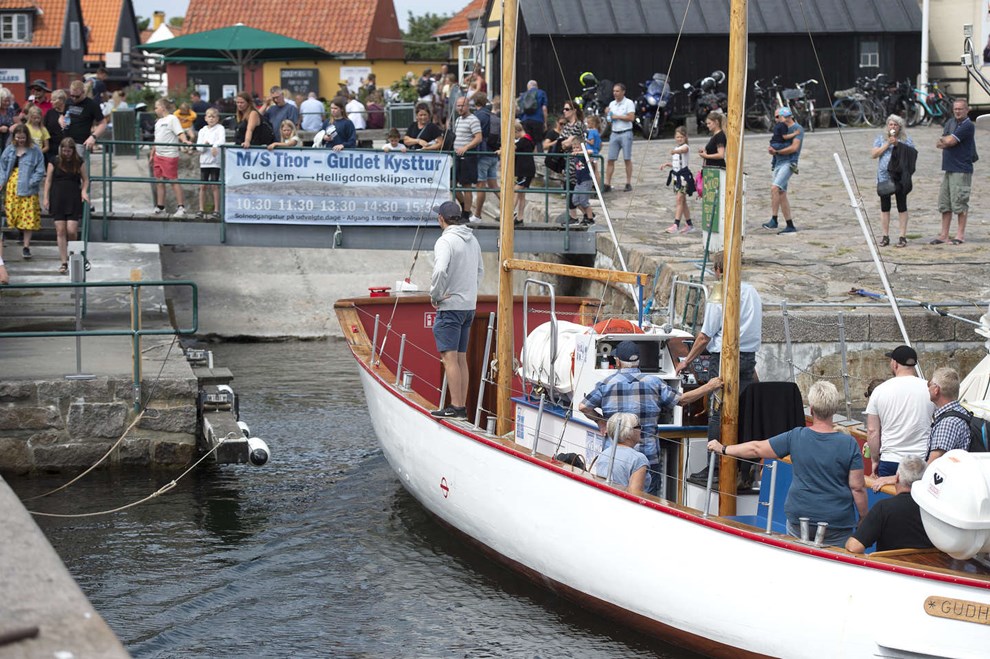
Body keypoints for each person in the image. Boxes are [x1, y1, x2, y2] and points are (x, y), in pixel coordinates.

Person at [708, 380, 868, 547]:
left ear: (811, 409)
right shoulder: (849, 443)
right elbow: (857, 487)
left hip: (800, 516)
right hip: (837, 521)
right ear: (834, 410)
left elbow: (756, 448)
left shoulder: (796, 436)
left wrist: (723, 448)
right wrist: (864, 517)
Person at [580, 340, 723, 496]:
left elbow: (583, 407)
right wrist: (709, 386)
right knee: (647, 500)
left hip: (615, 455)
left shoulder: (606, 384)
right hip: (647, 456)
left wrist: (600, 421)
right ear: (638, 361)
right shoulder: (654, 382)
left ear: (618, 361)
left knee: (611, 497)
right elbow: (682, 400)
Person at [675, 250, 762, 445]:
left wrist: (686, 361)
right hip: (748, 359)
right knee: (743, 410)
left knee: (717, 410)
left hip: (724, 359)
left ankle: (715, 461)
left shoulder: (720, 294)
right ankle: (739, 458)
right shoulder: (753, 292)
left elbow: (704, 337)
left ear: (717, 269)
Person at [429, 200, 483, 419]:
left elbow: (440, 270)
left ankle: (456, 407)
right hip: (468, 306)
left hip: (450, 307)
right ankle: (461, 407)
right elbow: (480, 271)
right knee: (461, 358)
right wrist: (470, 293)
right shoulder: (472, 240)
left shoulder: (445, 241)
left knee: (449, 358)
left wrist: (435, 296)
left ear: (441, 219)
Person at [865, 345, 934, 477]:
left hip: (890, 459)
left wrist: (874, 460)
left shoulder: (880, 391)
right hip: (920, 459)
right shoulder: (929, 389)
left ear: (895, 364)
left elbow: (873, 431)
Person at [845, 456, 933, 553]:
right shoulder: (934, 509)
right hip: (930, 561)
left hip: (889, 562)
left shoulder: (884, 508)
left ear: (897, 477)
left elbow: (854, 547)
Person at [42, 138, 89, 273]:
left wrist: (84, 192)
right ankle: (63, 262)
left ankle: (75, 254)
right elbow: (48, 181)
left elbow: (85, 180)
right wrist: (46, 197)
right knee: (60, 230)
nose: (66, 153)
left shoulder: (78, 162)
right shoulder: (54, 161)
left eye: (69, 151)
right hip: (57, 197)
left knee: (72, 230)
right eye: (64, 151)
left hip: (73, 197)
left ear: (73, 151)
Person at [932, 99, 975, 245]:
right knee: (944, 204)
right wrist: (946, 140)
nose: (957, 111)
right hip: (949, 168)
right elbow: (939, 143)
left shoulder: (968, 125)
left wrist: (946, 140)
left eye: (960, 109)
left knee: (960, 203)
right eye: (955, 109)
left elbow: (950, 141)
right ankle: (944, 235)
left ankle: (960, 235)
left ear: (967, 110)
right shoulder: (950, 122)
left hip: (961, 169)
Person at [1, 123, 46, 260]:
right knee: (13, 214)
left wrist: (32, 182)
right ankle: (18, 233)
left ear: (27, 137)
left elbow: (40, 169)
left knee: (28, 218)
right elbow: (2, 166)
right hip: (12, 188)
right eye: (18, 137)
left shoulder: (35, 150)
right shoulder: (9, 149)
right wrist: (2, 182)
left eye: (23, 137)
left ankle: (26, 246)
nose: (20, 140)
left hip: (28, 188)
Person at [872, 115, 916, 248]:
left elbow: (912, 154)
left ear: (899, 127)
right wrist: (888, 144)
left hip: (900, 177)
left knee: (902, 206)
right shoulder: (881, 138)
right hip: (884, 176)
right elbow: (874, 154)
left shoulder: (906, 139)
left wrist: (898, 145)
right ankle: (885, 236)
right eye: (891, 124)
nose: (893, 127)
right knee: (885, 207)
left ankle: (902, 236)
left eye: (895, 125)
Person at [762, 107, 803, 234]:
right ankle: (790, 225)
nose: (775, 119)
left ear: (785, 116)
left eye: (777, 116)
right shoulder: (780, 127)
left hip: (789, 163)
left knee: (774, 188)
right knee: (781, 193)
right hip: (778, 162)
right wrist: (772, 151)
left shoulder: (797, 129)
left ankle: (774, 220)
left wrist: (777, 151)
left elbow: (794, 148)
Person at [150, 98, 192, 216]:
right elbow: (156, 139)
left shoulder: (172, 119)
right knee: (159, 181)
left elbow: (180, 132)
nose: (155, 109)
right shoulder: (158, 122)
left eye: (156, 107)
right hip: (158, 155)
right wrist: (152, 153)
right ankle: (160, 206)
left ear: (162, 107)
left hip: (169, 155)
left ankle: (181, 207)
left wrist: (185, 140)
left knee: (173, 180)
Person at [593, 413, 650, 495]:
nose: (641, 429)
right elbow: (635, 495)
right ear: (628, 432)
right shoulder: (638, 459)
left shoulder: (604, 453)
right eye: (638, 426)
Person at [924, 367, 971, 463]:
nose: (928, 388)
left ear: (936, 389)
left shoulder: (948, 423)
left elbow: (934, 463)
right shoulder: (961, 412)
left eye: (930, 384)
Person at [451, 96, 482, 218]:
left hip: (467, 156)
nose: (460, 108)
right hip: (456, 156)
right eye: (458, 106)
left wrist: (466, 147)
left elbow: (478, 138)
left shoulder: (473, 120)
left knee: (466, 185)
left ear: (468, 106)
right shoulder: (458, 119)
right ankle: (465, 205)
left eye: (462, 105)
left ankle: (466, 212)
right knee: (451, 183)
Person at [660, 125, 695, 234]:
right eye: (677, 137)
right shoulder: (676, 149)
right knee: (682, 201)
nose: (679, 139)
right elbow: (677, 164)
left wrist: (675, 152)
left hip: (683, 178)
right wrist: (668, 164)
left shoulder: (685, 147)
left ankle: (676, 224)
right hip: (676, 178)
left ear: (685, 137)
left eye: (681, 137)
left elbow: (683, 150)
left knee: (679, 199)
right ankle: (689, 224)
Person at [603, 82, 636, 192]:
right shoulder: (612, 104)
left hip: (626, 132)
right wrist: (607, 115)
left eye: (617, 91)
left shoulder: (628, 103)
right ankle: (607, 183)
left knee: (627, 158)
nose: (615, 93)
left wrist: (617, 116)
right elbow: (609, 120)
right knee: (610, 159)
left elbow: (631, 117)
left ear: (623, 92)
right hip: (614, 132)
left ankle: (628, 182)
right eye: (614, 91)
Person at [472, 92, 499, 222]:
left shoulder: (477, 116)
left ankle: (477, 215)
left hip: (482, 154)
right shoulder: (493, 115)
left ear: (475, 103)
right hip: (493, 154)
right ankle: (511, 209)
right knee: (494, 185)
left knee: (480, 185)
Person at [62, 80, 107, 157]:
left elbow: (103, 123)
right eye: (72, 95)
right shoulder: (68, 101)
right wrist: (61, 120)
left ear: (83, 92)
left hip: (80, 143)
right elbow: (62, 115)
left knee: (79, 163)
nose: (74, 99)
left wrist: (93, 137)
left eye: (77, 96)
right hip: (65, 141)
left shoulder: (92, 104)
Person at [196, 108, 224, 219]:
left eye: (214, 117)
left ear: (217, 118)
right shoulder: (202, 131)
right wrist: (205, 145)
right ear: (205, 118)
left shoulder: (220, 128)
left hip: (215, 162)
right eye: (209, 116)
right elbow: (198, 147)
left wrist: (214, 145)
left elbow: (221, 140)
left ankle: (216, 210)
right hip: (204, 162)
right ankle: (201, 209)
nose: (211, 119)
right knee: (203, 186)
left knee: (214, 186)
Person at [512, 119, 536, 225]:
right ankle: (520, 217)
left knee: (515, 190)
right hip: (524, 169)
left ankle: (508, 213)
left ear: (517, 131)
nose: (514, 138)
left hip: (525, 170)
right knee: (521, 194)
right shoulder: (528, 139)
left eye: (513, 135)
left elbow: (513, 147)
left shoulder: (524, 141)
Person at [518, 80, 548, 155]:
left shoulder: (523, 95)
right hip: (538, 120)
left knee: (527, 139)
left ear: (528, 87)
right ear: (536, 86)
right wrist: (545, 122)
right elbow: (544, 108)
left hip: (525, 120)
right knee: (538, 141)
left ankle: (528, 157)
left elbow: (520, 110)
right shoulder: (541, 93)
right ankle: (540, 157)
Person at [43, 90, 67, 166]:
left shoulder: (69, 112)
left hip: (66, 147)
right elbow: (44, 128)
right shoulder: (50, 113)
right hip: (52, 147)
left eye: (53, 100)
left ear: (61, 100)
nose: (51, 102)